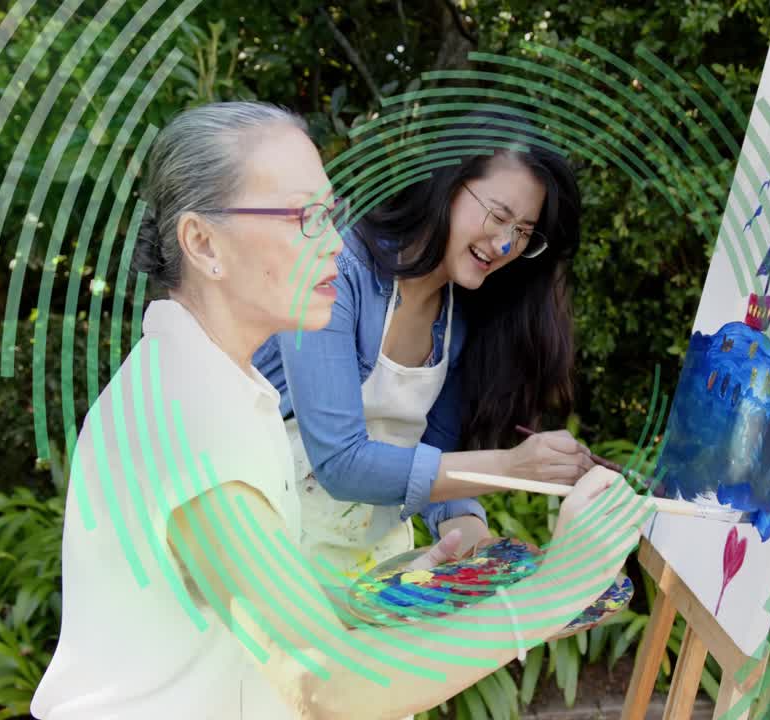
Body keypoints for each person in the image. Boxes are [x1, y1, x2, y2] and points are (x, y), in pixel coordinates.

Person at [30, 101, 648, 720]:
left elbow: (260, 604)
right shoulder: (190, 417)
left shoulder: (225, 388)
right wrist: (549, 592)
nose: (334, 243)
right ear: (203, 242)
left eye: (329, 215)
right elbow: (322, 681)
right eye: (303, 218)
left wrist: (380, 598)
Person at [252, 112, 595, 579]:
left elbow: (440, 473)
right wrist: (511, 467)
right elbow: (340, 462)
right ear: (448, 182)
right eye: (499, 217)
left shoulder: (458, 321)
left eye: (522, 234)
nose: (504, 245)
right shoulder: (337, 270)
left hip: (364, 573)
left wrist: (482, 548)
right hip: (262, 558)